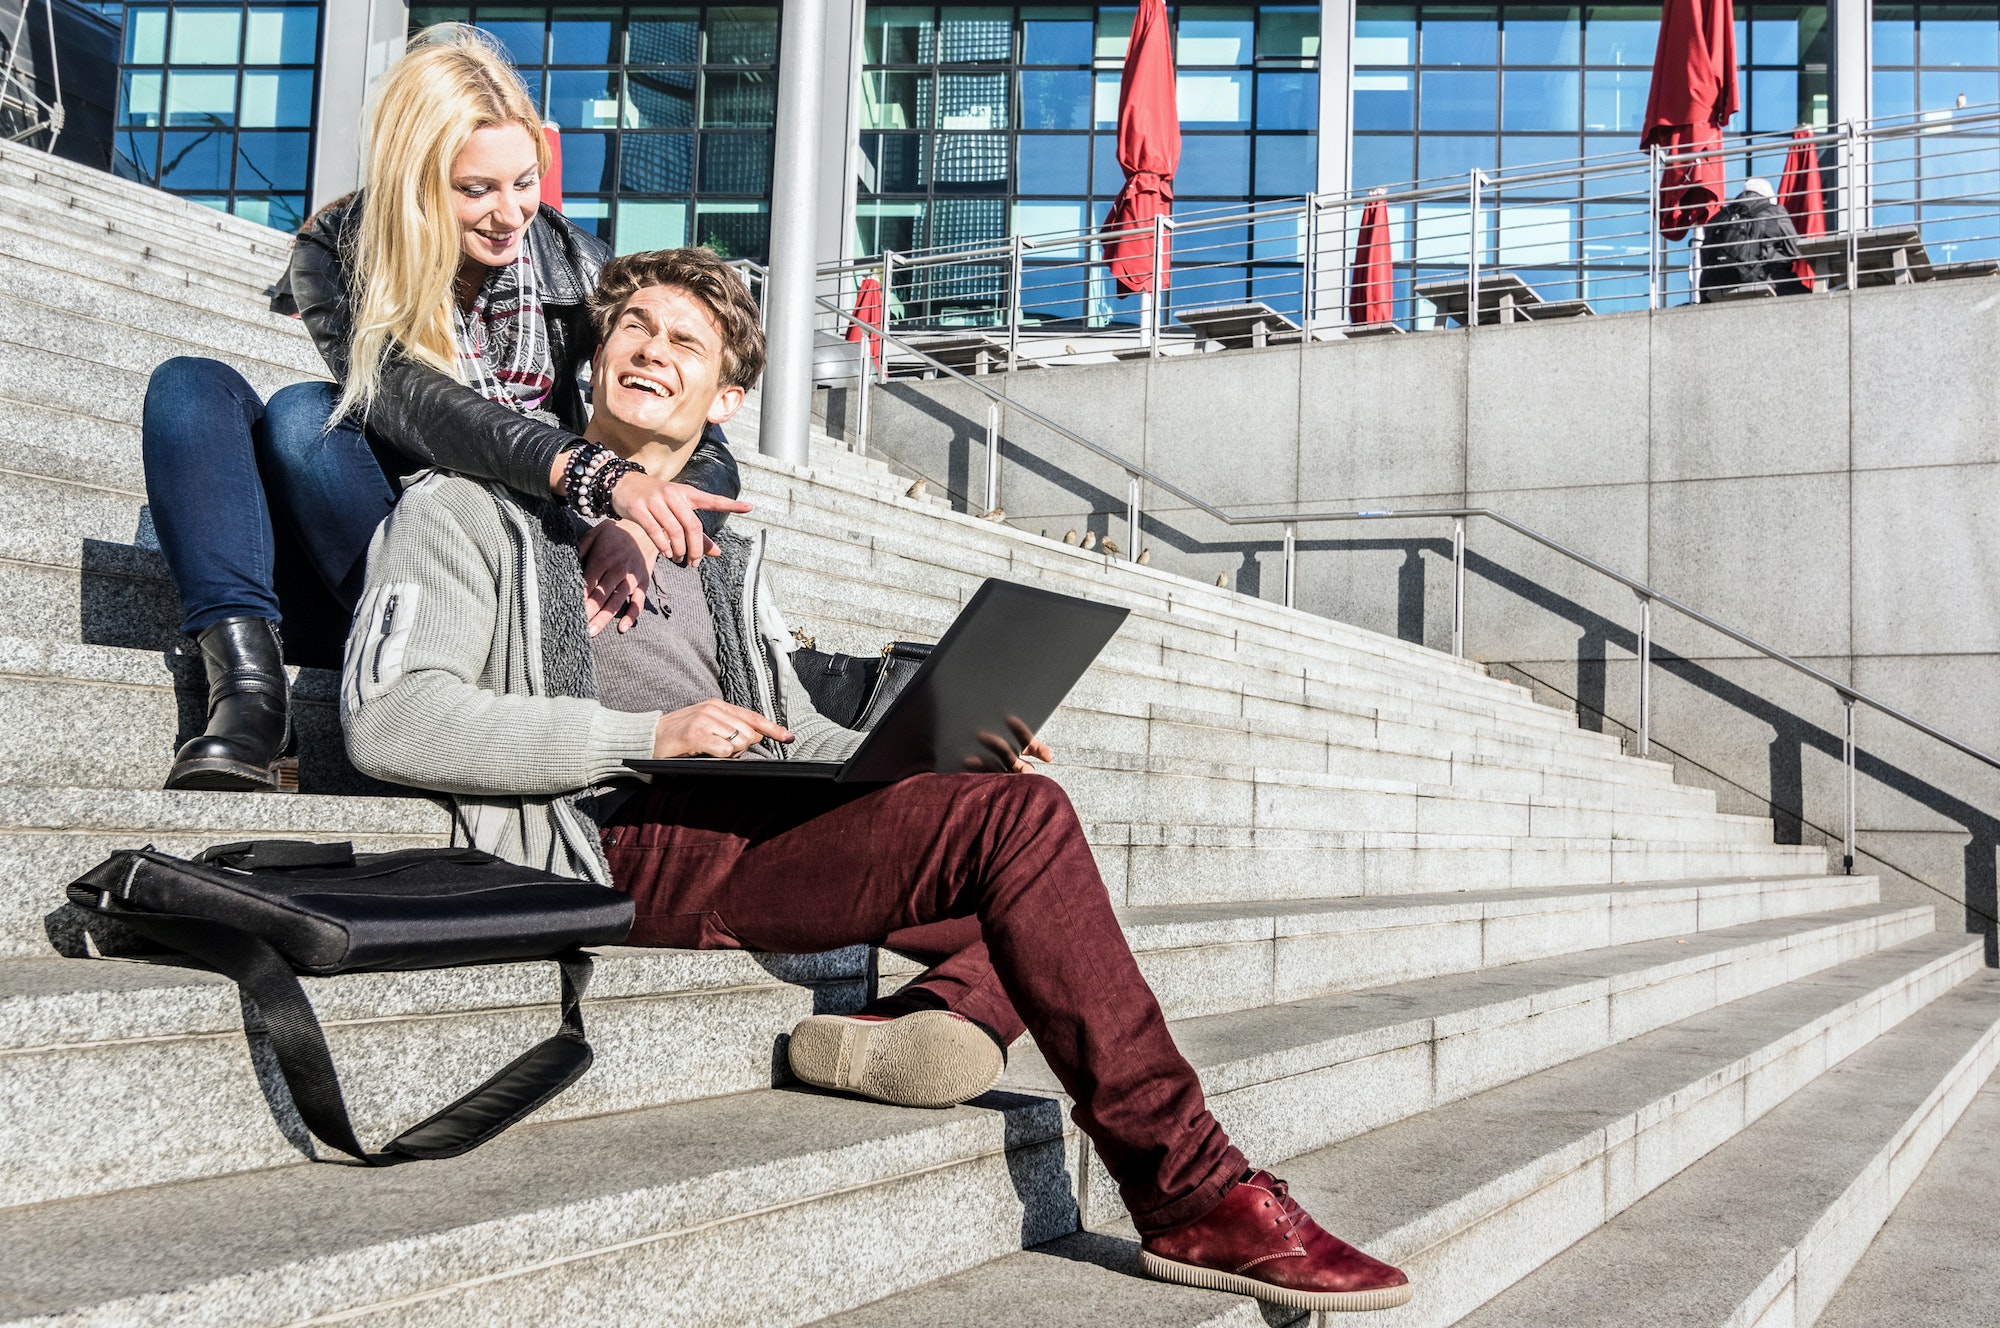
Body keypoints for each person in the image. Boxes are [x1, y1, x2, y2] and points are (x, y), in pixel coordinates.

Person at [338, 247, 1415, 1315]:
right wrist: (643, 730)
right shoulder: (468, 507)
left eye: (683, 340)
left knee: (1010, 831)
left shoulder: (723, 557)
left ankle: (920, 1021)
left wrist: (938, 746)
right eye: (632, 329)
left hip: (743, 809)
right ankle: (1190, 1190)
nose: (649, 351)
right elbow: (387, 719)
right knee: (1023, 836)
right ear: (593, 357)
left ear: (727, 394)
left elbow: (787, 730)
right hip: (610, 827)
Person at [141, 23, 743, 794]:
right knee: (191, 386)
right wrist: (591, 470)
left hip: (499, 563)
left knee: (302, 419)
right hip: (376, 532)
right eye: (475, 189)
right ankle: (250, 691)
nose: (509, 213)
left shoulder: (580, 267)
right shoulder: (343, 250)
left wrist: (633, 522)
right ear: (415, 180)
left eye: (524, 181)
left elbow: (710, 450)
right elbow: (415, 403)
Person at [1699, 178, 1806, 300]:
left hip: (1715, 283)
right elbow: (1795, 249)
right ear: (1768, 196)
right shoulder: (1775, 211)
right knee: (1808, 299)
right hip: (1761, 279)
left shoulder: (1718, 218)